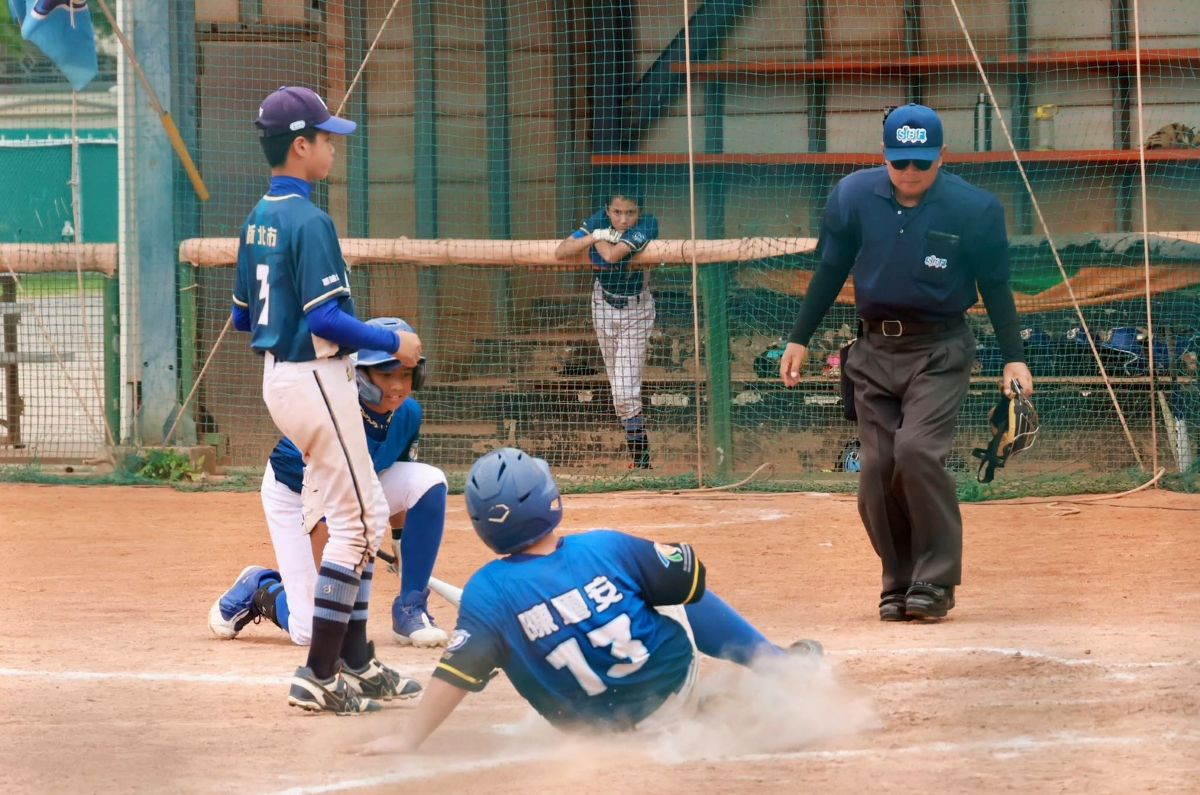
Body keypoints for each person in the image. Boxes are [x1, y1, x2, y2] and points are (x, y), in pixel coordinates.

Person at [367, 447, 822, 751]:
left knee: (507, 646)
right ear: (549, 499)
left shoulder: (486, 591)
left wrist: (409, 738)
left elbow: (453, 677)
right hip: (674, 689)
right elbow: (693, 577)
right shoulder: (604, 545)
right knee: (675, 589)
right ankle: (778, 664)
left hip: (592, 734)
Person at [780, 103, 1034, 622]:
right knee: (876, 469)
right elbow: (830, 269)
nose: (911, 172)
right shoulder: (852, 197)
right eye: (900, 162)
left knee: (916, 452)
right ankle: (898, 581)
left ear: (942, 155)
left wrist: (1014, 357)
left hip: (939, 349)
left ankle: (935, 580)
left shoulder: (974, 209)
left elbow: (996, 285)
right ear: (884, 155)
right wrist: (799, 338)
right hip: (873, 350)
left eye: (922, 161)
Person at [231, 86, 422, 714]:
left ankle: (357, 663)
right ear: (299, 146)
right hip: (313, 376)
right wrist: (391, 341)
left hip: (284, 375)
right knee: (357, 525)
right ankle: (319, 673)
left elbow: (243, 318)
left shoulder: (258, 217)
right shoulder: (309, 221)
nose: (333, 148)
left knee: (366, 514)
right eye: (324, 138)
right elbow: (328, 319)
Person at [209, 317, 450, 654]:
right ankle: (260, 586)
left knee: (430, 480)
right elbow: (321, 518)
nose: (397, 385)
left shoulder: (408, 413)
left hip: (361, 484)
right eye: (385, 375)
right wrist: (342, 588)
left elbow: (401, 476)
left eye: (406, 374)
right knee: (315, 627)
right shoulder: (335, 416)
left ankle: (411, 608)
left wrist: (400, 545)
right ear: (360, 375)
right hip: (297, 495)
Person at [555, 193, 659, 469]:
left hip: (636, 310)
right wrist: (596, 234)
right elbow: (561, 251)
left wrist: (596, 238)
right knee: (618, 390)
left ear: (639, 211)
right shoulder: (599, 221)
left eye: (630, 212)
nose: (623, 219)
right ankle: (639, 462)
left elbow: (612, 256)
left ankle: (642, 461)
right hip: (602, 304)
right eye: (617, 212)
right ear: (607, 209)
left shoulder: (648, 224)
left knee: (624, 392)